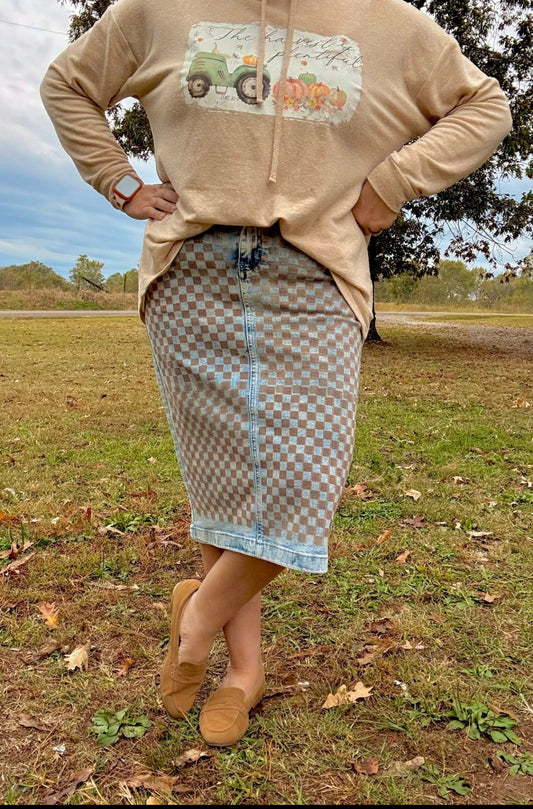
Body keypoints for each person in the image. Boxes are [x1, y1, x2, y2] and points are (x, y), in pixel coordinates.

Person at [41, 0, 512, 747]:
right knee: (224, 484)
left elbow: (485, 106)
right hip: (189, 270)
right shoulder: (158, 8)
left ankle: (194, 618)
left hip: (316, 274)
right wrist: (120, 182)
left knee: (306, 482)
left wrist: (392, 183)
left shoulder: (387, 22)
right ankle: (241, 675)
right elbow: (68, 82)